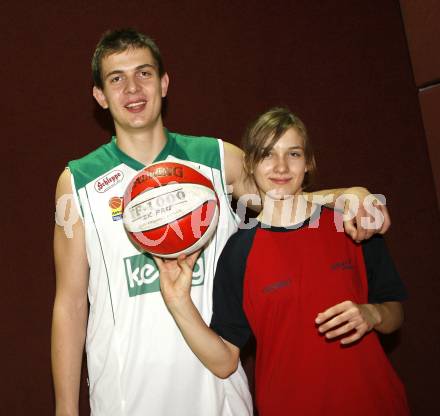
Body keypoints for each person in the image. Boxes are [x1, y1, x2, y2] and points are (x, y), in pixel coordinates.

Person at [51, 28, 391, 416]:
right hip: (126, 393)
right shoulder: (78, 181)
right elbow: (71, 303)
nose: (132, 88)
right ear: (100, 95)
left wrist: (351, 195)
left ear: (163, 83)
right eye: (117, 78)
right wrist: (65, 407)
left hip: (217, 389)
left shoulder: (217, 158)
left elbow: (284, 203)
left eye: (144, 73)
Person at [155, 108, 409, 415]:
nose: (280, 166)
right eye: (267, 154)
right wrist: (178, 301)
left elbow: (394, 312)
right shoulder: (238, 252)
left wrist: (373, 314)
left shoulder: (352, 223)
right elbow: (224, 362)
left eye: (293, 153)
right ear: (250, 164)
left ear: (308, 163)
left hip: (376, 404)